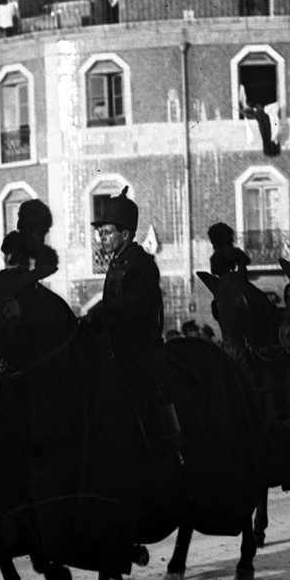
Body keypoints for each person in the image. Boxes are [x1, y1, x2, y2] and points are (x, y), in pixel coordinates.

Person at [86, 187, 181, 451]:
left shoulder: (141, 262)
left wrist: (104, 312)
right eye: (101, 233)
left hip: (140, 346)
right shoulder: (116, 262)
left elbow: (138, 304)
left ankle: (170, 443)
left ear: (125, 234)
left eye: (107, 232)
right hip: (116, 345)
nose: (102, 238)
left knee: (151, 390)